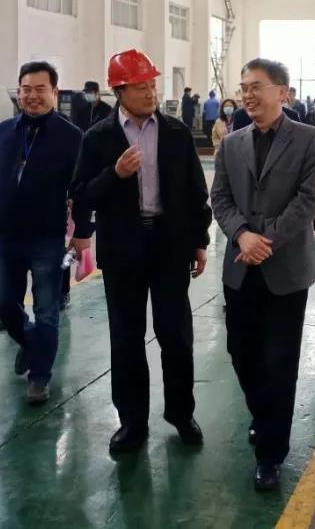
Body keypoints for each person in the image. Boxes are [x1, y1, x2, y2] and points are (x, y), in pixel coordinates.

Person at [72, 50, 211, 453]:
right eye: (140, 86)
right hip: (123, 250)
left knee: (176, 335)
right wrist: (115, 174)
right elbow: (81, 194)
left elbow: (195, 192)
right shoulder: (98, 138)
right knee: (126, 339)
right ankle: (132, 422)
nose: (151, 92)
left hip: (170, 246)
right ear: (119, 91)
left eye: (152, 84)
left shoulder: (176, 133)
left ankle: (181, 413)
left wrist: (199, 240)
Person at [211, 58, 315, 492]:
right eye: (243, 87)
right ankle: (263, 414)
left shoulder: (310, 139)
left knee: (280, 361)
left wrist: (266, 241)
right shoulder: (232, 143)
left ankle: (271, 454)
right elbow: (220, 198)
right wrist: (242, 235)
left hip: (286, 269)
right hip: (240, 268)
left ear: (282, 92)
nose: (247, 94)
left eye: (256, 86)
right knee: (241, 352)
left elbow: (309, 200)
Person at [0, 62, 85, 405]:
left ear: (55, 92)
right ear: (18, 92)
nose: (32, 96)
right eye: (26, 89)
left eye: (41, 89)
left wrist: (83, 231)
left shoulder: (71, 137)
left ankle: (40, 377)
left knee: (47, 311)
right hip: (7, 237)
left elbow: (82, 190)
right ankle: (29, 341)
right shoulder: (4, 132)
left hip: (48, 239)